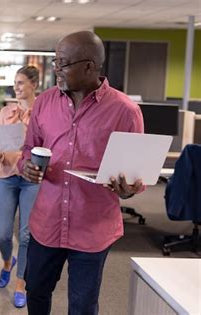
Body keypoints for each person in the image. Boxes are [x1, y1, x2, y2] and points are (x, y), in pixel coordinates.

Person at [20, 31, 144, 314]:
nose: (55, 69)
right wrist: (26, 165)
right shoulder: (44, 102)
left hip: (93, 226)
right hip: (47, 221)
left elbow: (135, 174)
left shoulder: (125, 111)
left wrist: (130, 188)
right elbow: (30, 149)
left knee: (82, 305)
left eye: (62, 63)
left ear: (89, 66)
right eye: (54, 61)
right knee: (36, 291)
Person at [0, 66, 40, 308]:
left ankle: (21, 282)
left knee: (25, 235)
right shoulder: (5, 112)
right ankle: (6, 261)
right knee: (2, 233)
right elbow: (0, 142)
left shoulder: (41, 113)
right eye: (15, 82)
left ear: (34, 84)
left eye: (21, 82)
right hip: (6, 176)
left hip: (30, 178)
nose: (17, 87)